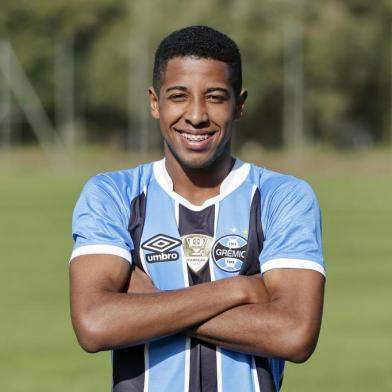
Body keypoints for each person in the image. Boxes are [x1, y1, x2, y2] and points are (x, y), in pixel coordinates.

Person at [69, 25, 325, 392]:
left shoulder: (282, 197)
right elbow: (94, 324)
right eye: (178, 96)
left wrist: (150, 305)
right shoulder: (112, 194)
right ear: (155, 102)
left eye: (216, 97)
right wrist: (237, 291)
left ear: (240, 103)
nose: (196, 115)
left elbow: (294, 333)